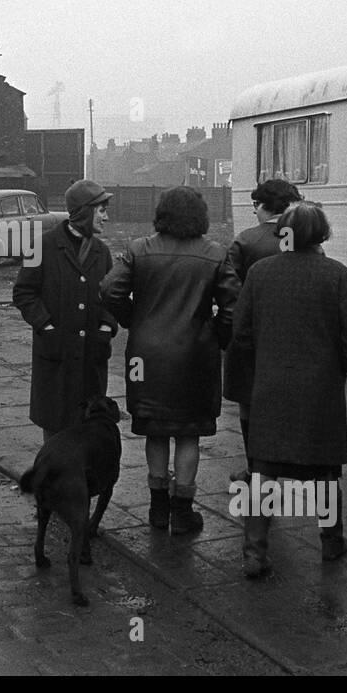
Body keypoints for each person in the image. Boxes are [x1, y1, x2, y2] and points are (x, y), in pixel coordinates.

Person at [231, 201, 347, 578]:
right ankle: (330, 542)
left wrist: (263, 364)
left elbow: (240, 333)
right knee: (325, 470)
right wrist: (338, 367)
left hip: (270, 387)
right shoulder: (337, 275)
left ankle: (254, 553)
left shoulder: (259, 273)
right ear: (322, 235)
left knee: (262, 472)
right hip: (321, 390)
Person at [101, 186, 240, 534]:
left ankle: (157, 509)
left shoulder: (139, 250)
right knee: (189, 433)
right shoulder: (215, 254)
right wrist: (217, 336)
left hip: (146, 357)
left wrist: (134, 318)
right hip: (195, 355)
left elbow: (109, 290)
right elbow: (233, 307)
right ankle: (183, 511)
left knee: (156, 430)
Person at [12, 179, 119, 442]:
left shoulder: (102, 252)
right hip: (56, 359)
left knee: (89, 433)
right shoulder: (41, 246)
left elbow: (112, 297)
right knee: (56, 436)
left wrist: (106, 328)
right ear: (85, 211)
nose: (106, 217)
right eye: (101, 210)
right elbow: (24, 292)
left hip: (90, 361)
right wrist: (46, 327)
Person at [222, 179, 303, 482]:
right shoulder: (305, 238)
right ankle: (281, 466)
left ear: (261, 206)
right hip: (294, 337)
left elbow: (231, 293)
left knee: (248, 403)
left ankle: (256, 467)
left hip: (251, 337)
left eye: (254, 205)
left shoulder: (245, 241)